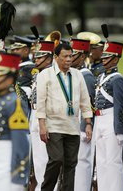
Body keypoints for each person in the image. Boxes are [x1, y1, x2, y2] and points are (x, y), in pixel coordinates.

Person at [36, 43, 93, 191]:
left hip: (72, 126)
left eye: (71, 56)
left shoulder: (77, 74)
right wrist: (42, 125)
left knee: (71, 164)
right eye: (65, 56)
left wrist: (88, 122)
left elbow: (85, 101)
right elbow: (40, 102)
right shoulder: (45, 75)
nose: (69, 59)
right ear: (55, 57)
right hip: (53, 125)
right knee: (56, 159)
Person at [0, 52, 30, 191]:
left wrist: (18, 172)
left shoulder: (14, 102)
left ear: (9, 78)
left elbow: (20, 140)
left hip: (6, 156)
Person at [94, 41, 123, 191]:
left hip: (110, 119)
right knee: (101, 161)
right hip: (99, 119)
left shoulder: (117, 78)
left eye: (108, 57)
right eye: (104, 56)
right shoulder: (101, 77)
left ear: (115, 59)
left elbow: (120, 105)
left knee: (113, 161)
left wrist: (119, 129)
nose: (104, 59)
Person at [70, 38, 96, 191]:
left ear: (81, 56)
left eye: (72, 55)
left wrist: (85, 125)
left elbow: (88, 104)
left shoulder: (86, 75)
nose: (68, 58)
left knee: (82, 161)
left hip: (80, 126)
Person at [29, 40, 55, 191]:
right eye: (36, 56)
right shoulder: (38, 75)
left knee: (46, 158)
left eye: (39, 57)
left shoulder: (52, 75)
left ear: (49, 57)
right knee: (38, 158)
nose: (36, 60)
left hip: (45, 116)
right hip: (34, 114)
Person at [10, 35, 37, 101]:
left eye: (17, 49)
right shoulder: (13, 67)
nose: (14, 52)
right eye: (13, 49)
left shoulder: (31, 68)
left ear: (26, 50)